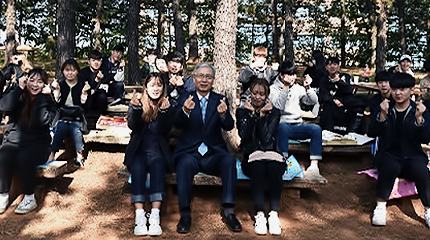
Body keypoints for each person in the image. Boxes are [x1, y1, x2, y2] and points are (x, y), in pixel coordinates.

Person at [173, 62, 241, 233]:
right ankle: (185, 214)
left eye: (208, 77)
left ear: (213, 80)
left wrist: (224, 115)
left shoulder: (220, 99)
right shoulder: (185, 97)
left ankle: (229, 211)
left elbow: (229, 126)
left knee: (228, 161)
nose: (204, 80)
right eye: (200, 76)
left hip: (213, 153)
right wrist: (185, 111)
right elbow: (176, 124)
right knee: (184, 164)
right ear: (194, 78)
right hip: (190, 152)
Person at [370, 72, 430, 228]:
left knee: (421, 170)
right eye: (395, 88)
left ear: (411, 90)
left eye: (403, 89)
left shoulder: (420, 109)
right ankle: (380, 207)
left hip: (413, 156)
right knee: (388, 166)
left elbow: (425, 138)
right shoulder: (385, 107)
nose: (398, 93)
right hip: (390, 155)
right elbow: (373, 132)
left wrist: (419, 119)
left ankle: (428, 210)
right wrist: (382, 115)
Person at [124, 72, 176, 236]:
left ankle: (155, 215)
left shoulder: (168, 105)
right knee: (138, 169)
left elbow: (164, 130)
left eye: (159, 85)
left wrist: (164, 113)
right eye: (152, 85)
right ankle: (139, 216)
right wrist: (135, 108)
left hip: (158, 153)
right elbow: (133, 126)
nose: (156, 88)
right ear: (146, 87)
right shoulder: (138, 103)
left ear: (163, 88)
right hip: (138, 152)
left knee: (158, 167)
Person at [0, 68, 56, 214]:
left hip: (38, 143)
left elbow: (41, 120)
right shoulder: (19, 95)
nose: (35, 85)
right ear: (26, 80)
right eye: (32, 80)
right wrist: (19, 88)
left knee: (24, 157)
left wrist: (45, 98)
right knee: (4, 154)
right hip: (14, 140)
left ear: (45, 85)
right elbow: (4, 106)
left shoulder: (46, 100)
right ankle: (3, 195)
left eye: (40, 81)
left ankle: (30, 196)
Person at [236, 78, 283, 235]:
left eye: (261, 94)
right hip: (251, 156)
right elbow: (245, 135)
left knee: (274, 168)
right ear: (249, 93)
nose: (257, 97)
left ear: (267, 96)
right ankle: (260, 214)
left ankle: (274, 214)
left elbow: (267, 139)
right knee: (258, 168)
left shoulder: (275, 113)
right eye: (254, 93)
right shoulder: (241, 111)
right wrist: (251, 115)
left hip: (271, 154)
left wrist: (262, 116)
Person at [269, 60, 322, 174]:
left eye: (294, 74)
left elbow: (312, 102)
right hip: (280, 125)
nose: (292, 77)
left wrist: (308, 88)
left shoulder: (298, 88)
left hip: (297, 125)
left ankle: (314, 165)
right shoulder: (273, 89)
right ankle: (283, 162)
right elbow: (279, 107)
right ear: (281, 75)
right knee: (282, 128)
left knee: (316, 129)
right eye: (289, 74)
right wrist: (285, 88)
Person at [49, 58, 89, 168]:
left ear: (77, 71)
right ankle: (51, 155)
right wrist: (56, 92)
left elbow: (84, 106)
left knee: (75, 130)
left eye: (73, 70)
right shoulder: (60, 84)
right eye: (67, 70)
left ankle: (79, 156)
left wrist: (84, 93)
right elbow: (56, 104)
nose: (70, 73)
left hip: (77, 117)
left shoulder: (81, 85)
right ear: (63, 72)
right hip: (63, 116)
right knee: (60, 128)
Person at [319, 56, 367, 134]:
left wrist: (339, 82)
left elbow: (349, 90)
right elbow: (323, 95)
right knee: (328, 108)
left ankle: (355, 131)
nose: (332, 66)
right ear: (326, 67)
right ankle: (328, 132)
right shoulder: (323, 79)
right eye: (329, 64)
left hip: (346, 103)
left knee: (359, 105)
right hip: (331, 104)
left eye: (335, 64)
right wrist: (333, 100)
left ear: (338, 66)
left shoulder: (345, 77)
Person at [78, 49, 108, 116]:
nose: (96, 63)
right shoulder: (83, 73)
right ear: (89, 62)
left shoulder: (104, 71)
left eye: (98, 60)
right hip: (87, 101)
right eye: (93, 60)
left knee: (102, 95)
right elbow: (83, 89)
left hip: (101, 100)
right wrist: (96, 80)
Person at [367, 71, 393, 138]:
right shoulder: (374, 100)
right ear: (377, 84)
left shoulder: (397, 99)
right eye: (380, 82)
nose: (383, 85)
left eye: (386, 82)